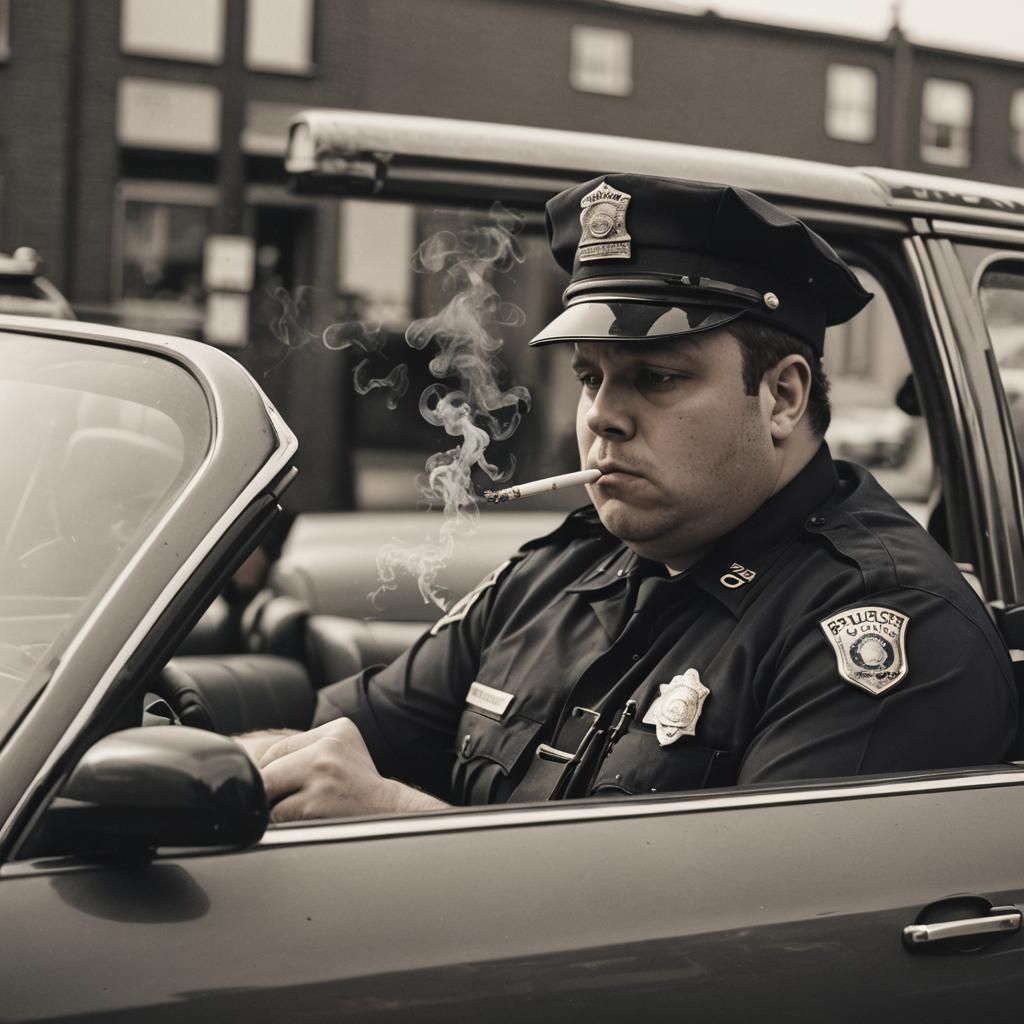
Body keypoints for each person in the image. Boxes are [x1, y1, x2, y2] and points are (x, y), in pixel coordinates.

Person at [244, 173, 1018, 821]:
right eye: (591, 377)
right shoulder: (559, 573)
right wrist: (225, 765)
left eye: (657, 377)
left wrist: (397, 819)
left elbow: (746, 931)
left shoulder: (886, 625)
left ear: (782, 397)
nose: (601, 417)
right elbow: (338, 739)